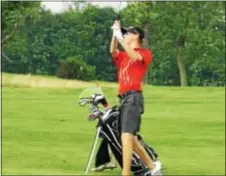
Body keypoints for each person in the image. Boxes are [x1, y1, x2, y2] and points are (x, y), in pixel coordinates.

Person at [110, 20, 162, 176]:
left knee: (126, 137)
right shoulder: (123, 56)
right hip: (124, 99)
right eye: (123, 33)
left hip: (134, 97)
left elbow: (136, 57)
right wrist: (114, 35)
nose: (124, 35)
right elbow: (113, 51)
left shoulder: (144, 53)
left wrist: (120, 38)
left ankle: (125, 174)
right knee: (130, 138)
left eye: (127, 33)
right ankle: (152, 167)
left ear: (136, 35)